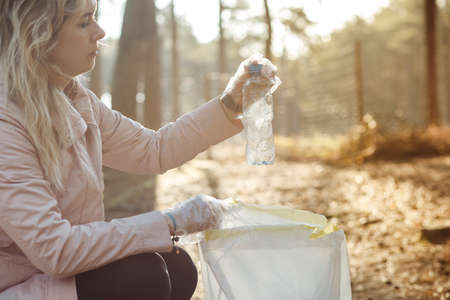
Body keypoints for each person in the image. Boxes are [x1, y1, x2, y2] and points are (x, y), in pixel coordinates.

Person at [0, 0, 277, 299]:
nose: (100, 32)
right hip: (17, 284)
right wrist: (170, 221)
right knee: (144, 276)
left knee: (177, 265)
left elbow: (153, 149)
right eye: (84, 23)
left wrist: (233, 101)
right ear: (39, 35)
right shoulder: (6, 121)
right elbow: (55, 249)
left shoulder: (78, 100)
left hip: (59, 275)